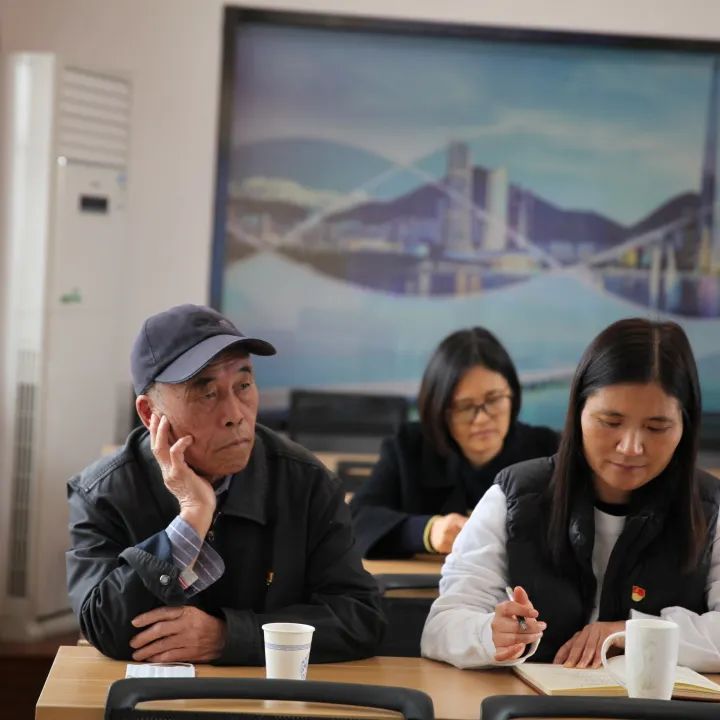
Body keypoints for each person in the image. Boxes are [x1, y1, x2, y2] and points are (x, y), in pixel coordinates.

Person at [66, 304, 385, 664]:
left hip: (273, 692)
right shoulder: (103, 493)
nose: (235, 414)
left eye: (243, 385)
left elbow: (360, 619)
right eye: (207, 394)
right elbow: (106, 628)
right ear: (149, 413)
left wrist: (228, 637)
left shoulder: (306, 483)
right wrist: (192, 518)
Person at [421, 318, 720, 672]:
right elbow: (441, 627)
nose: (630, 447)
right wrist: (490, 634)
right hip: (528, 700)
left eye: (657, 427)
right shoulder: (513, 496)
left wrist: (632, 632)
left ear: (685, 426)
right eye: (610, 422)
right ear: (577, 412)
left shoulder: (710, 508)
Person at [349, 327, 559, 558]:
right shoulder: (409, 448)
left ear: (513, 395)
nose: (482, 418)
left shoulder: (548, 451)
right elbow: (356, 519)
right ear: (438, 408)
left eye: (494, 399)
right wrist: (428, 531)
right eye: (464, 407)